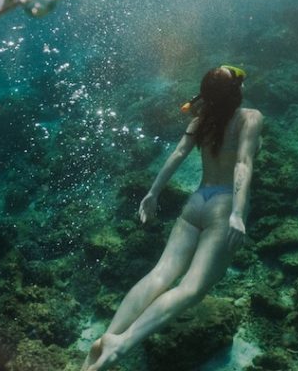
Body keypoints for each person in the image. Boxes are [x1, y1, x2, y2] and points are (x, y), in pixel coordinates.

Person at [83, 65, 264, 371]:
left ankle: (107, 337)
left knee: (160, 274)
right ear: (235, 93)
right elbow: (243, 164)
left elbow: (178, 153)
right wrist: (236, 212)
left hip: (197, 202)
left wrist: (153, 192)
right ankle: (122, 344)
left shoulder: (201, 118)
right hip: (223, 207)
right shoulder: (251, 117)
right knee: (191, 289)